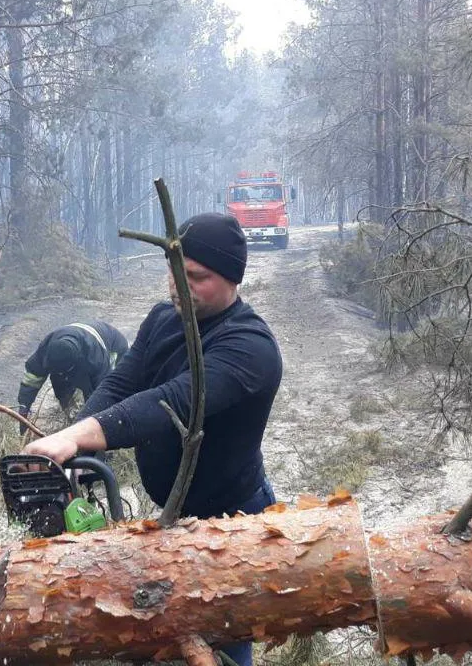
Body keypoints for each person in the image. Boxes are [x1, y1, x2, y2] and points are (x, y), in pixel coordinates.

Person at [22, 212, 283, 666]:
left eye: (197, 278)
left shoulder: (251, 346)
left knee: (223, 636)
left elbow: (169, 403)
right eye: (175, 272)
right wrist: (74, 441)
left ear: (232, 279)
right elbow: (123, 384)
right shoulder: (164, 318)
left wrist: (79, 435)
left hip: (232, 515)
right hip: (171, 511)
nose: (178, 287)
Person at [16, 321, 129, 425]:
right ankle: (68, 415)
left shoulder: (96, 359)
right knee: (61, 386)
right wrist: (24, 407)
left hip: (114, 347)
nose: (60, 374)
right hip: (77, 339)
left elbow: (103, 392)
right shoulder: (47, 348)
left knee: (95, 396)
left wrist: (89, 421)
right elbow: (32, 378)